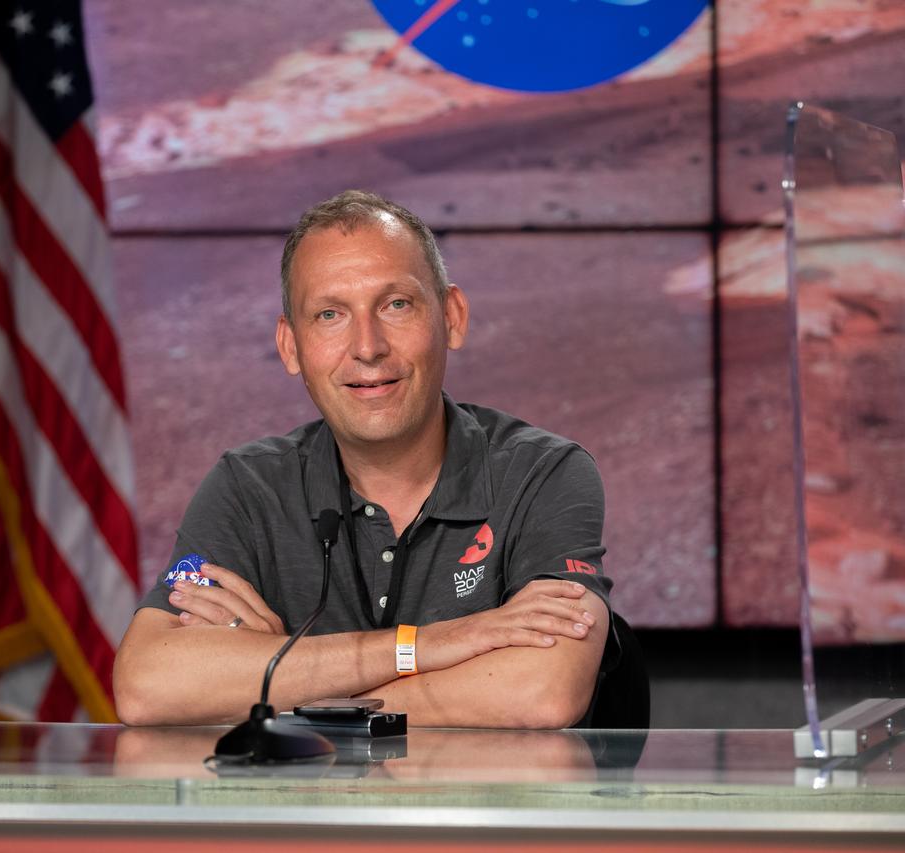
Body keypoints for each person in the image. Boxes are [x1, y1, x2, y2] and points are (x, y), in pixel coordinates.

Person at [114, 190, 614, 729]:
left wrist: (279, 677)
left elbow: (544, 692)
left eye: (396, 305)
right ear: (291, 346)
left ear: (452, 317)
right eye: (330, 314)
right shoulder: (246, 486)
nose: (368, 347)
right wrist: (425, 647)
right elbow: (146, 686)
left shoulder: (542, 473)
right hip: (305, 815)